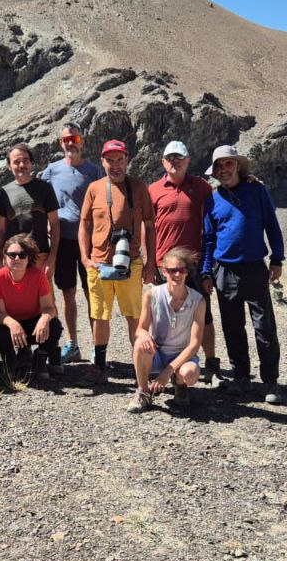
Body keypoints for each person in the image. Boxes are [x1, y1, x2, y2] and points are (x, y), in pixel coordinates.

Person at [201, 145, 286, 404]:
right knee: (232, 327)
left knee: (264, 327)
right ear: (214, 171)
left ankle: (270, 381)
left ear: (238, 166)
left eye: (228, 164)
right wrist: (206, 271)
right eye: (219, 166)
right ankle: (241, 377)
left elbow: (272, 225)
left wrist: (277, 258)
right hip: (223, 270)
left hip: (253, 268)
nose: (224, 170)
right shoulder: (212, 199)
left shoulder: (257, 190)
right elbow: (208, 239)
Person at [78, 139, 157, 381]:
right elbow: (84, 224)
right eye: (110, 160)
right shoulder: (94, 188)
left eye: (120, 160)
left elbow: (150, 226)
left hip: (131, 263)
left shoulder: (139, 188)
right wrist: (85, 258)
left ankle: (140, 367)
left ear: (127, 159)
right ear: (102, 161)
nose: (115, 165)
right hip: (99, 263)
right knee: (100, 316)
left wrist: (150, 262)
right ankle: (99, 365)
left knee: (134, 316)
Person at [148, 140, 222, 384]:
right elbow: (146, 227)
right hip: (163, 265)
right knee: (162, 317)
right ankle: (162, 363)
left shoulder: (201, 187)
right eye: (170, 157)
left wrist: (249, 179)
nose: (174, 161)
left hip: (193, 266)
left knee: (205, 315)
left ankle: (211, 364)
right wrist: (148, 263)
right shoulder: (154, 190)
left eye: (179, 157)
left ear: (188, 160)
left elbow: (224, 194)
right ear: (163, 162)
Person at [39, 122, 102, 364]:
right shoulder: (52, 171)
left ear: (81, 141)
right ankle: (73, 344)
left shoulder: (94, 171)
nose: (70, 143)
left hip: (89, 242)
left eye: (74, 139)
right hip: (62, 240)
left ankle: (98, 346)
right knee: (68, 293)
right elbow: (39, 196)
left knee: (92, 294)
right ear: (60, 143)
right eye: (66, 140)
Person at [128, 247, 206, 414]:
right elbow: (140, 329)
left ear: (187, 272)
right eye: (172, 271)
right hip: (158, 351)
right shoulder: (152, 294)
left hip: (182, 354)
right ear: (164, 272)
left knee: (190, 373)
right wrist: (144, 334)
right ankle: (143, 391)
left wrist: (166, 373)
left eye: (181, 270)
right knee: (140, 344)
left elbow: (194, 345)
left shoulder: (198, 301)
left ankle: (180, 384)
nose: (177, 275)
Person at [0, 233, 63, 381]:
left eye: (22, 255)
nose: (17, 259)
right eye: (12, 255)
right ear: (4, 257)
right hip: (12, 324)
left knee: (54, 325)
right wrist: (13, 324)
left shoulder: (38, 275)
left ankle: (40, 358)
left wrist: (44, 319)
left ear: (29, 258)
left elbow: (50, 308)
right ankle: (11, 359)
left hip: (33, 324)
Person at [0, 143, 60, 279]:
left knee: (43, 299)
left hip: (40, 256)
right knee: (15, 298)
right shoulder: (4, 192)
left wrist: (51, 259)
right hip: (13, 256)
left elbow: (55, 225)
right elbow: (1, 229)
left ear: (31, 163)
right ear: (9, 166)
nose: (21, 165)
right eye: (16, 162)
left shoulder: (44, 188)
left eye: (25, 160)